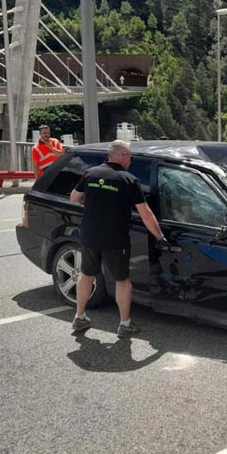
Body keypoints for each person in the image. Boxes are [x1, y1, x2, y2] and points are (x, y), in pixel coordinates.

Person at [69, 140, 175, 337]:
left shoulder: (91, 174)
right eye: (130, 157)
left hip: (90, 235)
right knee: (122, 280)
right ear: (123, 156)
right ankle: (124, 324)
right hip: (115, 239)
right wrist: (159, 236)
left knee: (86, 275)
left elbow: (74, 197)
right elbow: (146, 214)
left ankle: (79, 317)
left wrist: (95, 200)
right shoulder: (128, 180)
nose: (131, 160)